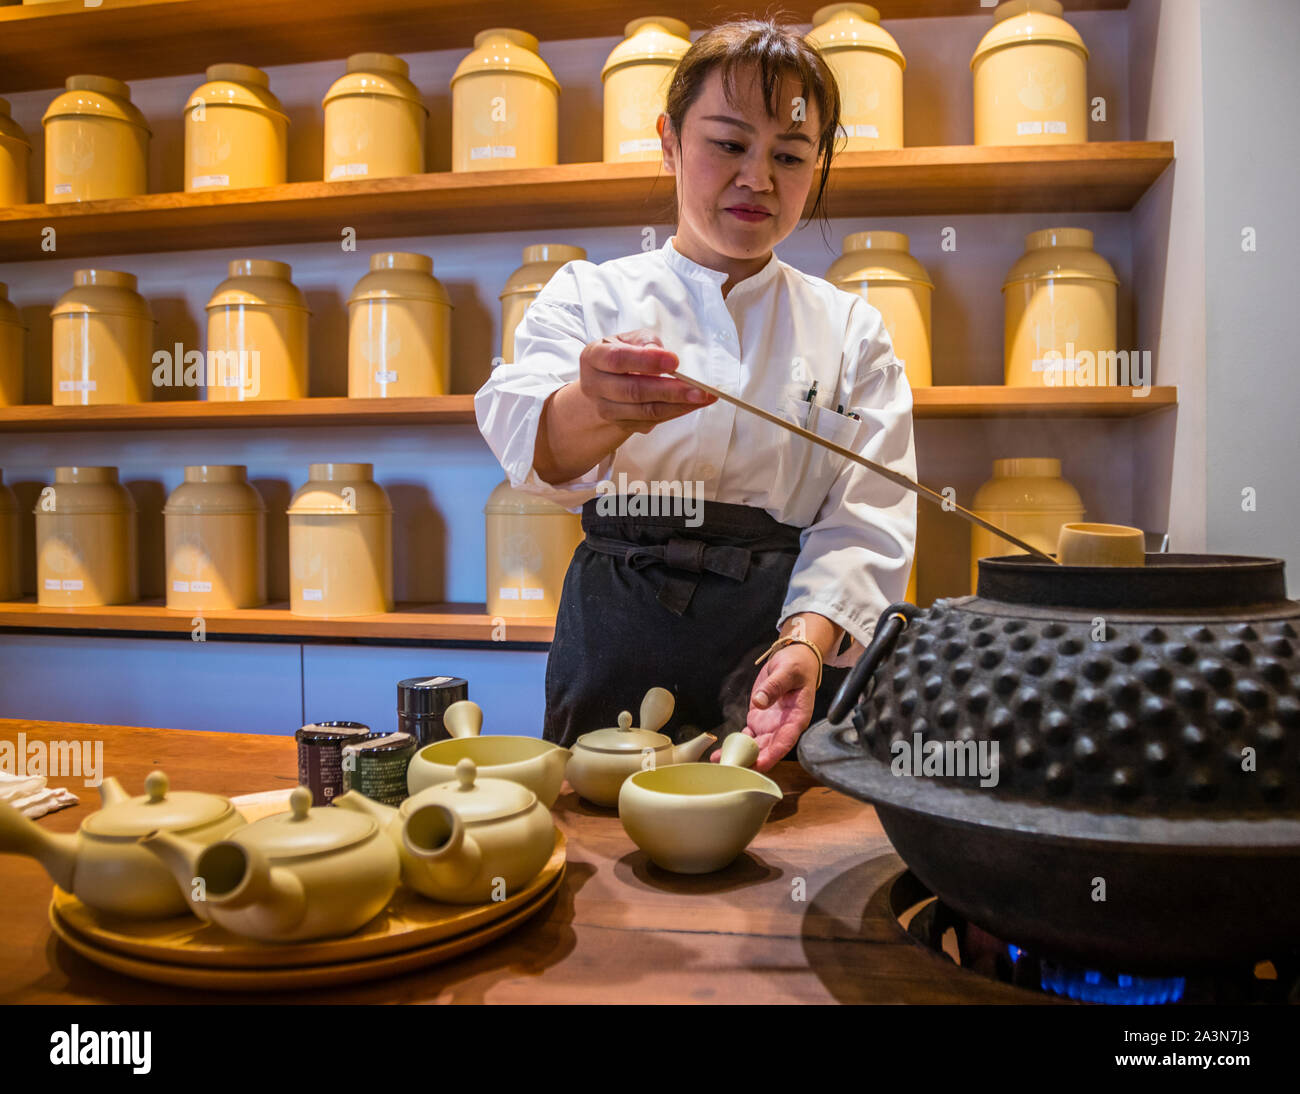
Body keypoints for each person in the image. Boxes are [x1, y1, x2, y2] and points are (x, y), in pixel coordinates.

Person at [475, 18, 916, 772]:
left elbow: (868, 518)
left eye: (789, 155)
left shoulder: (852, 330)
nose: (758, 179)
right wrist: (599, 406)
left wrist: (807, 643)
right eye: (728, 143)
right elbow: (531, 447)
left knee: (775, 857)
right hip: (619, 622)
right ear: (670, 140)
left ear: (819, 167)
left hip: (777, 645)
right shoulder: (588, 295)